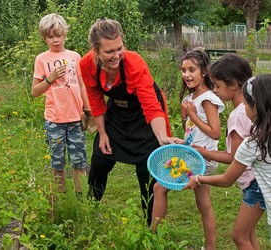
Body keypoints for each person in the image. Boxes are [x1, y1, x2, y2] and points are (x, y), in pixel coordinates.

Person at [79, 18, 182, 226]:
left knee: (147, 169)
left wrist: (161, 137)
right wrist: (103, 133)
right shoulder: (87, 64)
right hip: (117, 113)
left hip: (144, 116)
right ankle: (90, 209)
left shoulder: (133, 62)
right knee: (100, 159)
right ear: (95, 50)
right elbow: (96, 99)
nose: (116, 55)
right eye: (109, 52)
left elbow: (151, 105)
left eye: (119, 48)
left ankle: (150, 226)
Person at [184, 74, 271, 249]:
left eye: (246, 104)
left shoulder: (253, 143)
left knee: (239, 236)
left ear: (255, 107)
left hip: (260, 191)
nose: (243, 107)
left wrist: (198, 179)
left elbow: (226, 180)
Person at [151, 49, 224, 250]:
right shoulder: (194, 97)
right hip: (193, 154)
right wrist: (185, 120)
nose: (186, 75)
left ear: (204, 72)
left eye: (192, 70)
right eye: (183, 70)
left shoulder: (208, 98)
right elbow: (192, 131)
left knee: (159, 187)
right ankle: (210, 247)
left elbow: (215, 133)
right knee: (203, 204)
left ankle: (151, 238)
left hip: (203, 158)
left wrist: (193, 114)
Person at [32, 13, 91, 195]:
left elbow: (81, 85)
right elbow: (35, 91)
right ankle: (60, 198)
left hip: (75, 119)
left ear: (65, 34)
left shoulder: (74, 56)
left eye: (58, 35)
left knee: (79, 162)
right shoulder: (42, 59)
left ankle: (80, 199)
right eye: (50, 36)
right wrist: (50, 78)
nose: (55, 40)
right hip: (54, 120)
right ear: (44, 37)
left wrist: (88, 110)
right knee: (57, 164)